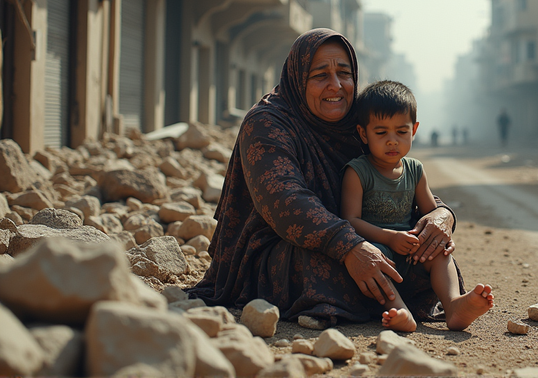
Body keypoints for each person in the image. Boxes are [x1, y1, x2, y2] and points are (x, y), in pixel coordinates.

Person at [187, 29, 460, 329]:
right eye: (320, 75)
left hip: (368, 241)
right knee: (316, 266)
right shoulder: (267, 123)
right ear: (298, 77)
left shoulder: (360, 120)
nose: (336, 85)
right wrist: (350, 247)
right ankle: (384, 304)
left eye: (344, 73)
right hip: (285, 246)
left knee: (430, 250)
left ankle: (423, 303)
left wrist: (441, 215)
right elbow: (284, 200)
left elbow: (399, 174)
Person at [342, 81, 493, 332]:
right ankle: (401, 311)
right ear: (363, 133)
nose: (392, 141)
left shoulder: (415, 170)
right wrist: (389, 238)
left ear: (414, 130)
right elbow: (350, 221)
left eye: (401, 132)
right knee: (376, 259)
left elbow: (431, 212)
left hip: (411, 250)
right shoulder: (357, 172)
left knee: (440, 254)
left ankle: (453, 305)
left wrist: (440, 234)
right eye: (381, 133)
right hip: (377, 246)